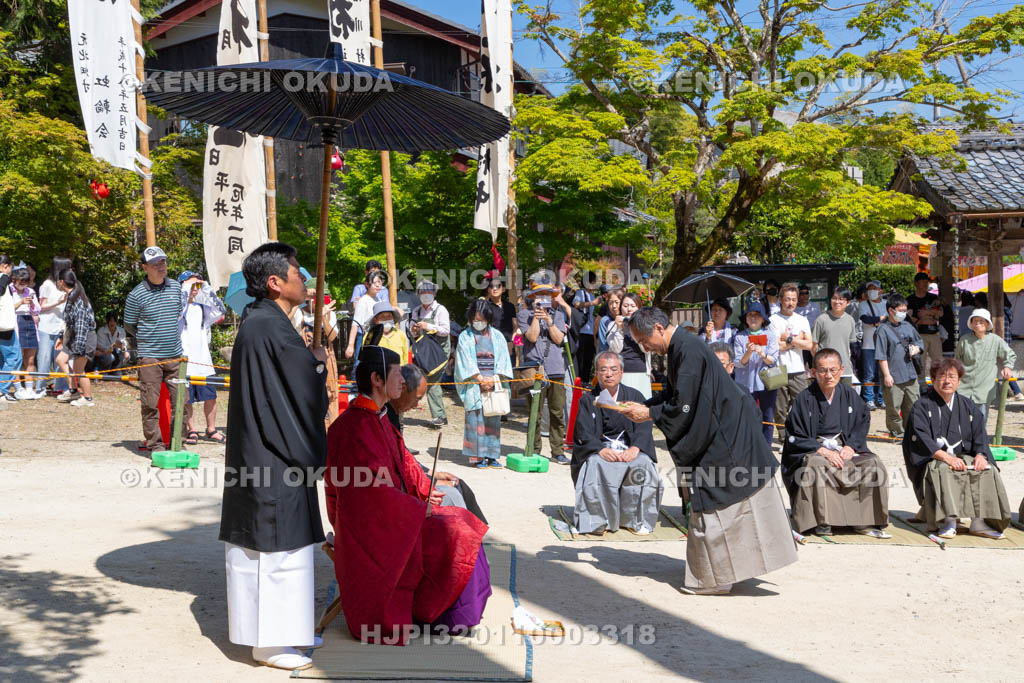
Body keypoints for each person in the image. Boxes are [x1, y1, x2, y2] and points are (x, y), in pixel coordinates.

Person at [622, 308, 798, 595]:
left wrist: (650, 413)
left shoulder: (687, 349)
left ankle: (714, 579)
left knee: (717, 506)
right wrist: (648, 404)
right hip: (723, 431)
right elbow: (677, 394)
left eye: (644, 340)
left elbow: (685, 407)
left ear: (657, 327)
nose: (645, 347)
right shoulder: (682, 347)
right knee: (727, 507)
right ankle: (723, 573)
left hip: (724, 438)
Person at [325, 345, 491, 645]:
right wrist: (416, 510)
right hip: (370, 532)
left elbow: (403, 462)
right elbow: (368, 494)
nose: (403, 381)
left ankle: (443, 614)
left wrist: (426, 487)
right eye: (397, 374)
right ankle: (442, 616)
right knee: (456, 531)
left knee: (460, 520)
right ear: (377, 379)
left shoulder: (376, 417)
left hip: (394, 517)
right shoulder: (355, 427)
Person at [219, 242, 328, 670]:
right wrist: (316, 366)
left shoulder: (264, 322)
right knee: (274, 551)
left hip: (267, 450)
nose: (305, 280)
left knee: (281, 550)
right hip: (272, 456)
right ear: (275, 282)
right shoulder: (268, 326)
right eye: (298, 273)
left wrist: (310, 361)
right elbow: (297, 391)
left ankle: (288, 632)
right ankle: (269, 643)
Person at [782, 349, 890, 538]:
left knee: (873, 463)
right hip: (816, 449)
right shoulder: (804, 399)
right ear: (814, 372)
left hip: (845, 446)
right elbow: (795, 435)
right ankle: (823, 521)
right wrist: (820, 450)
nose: (828, 375)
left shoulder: (849, 394)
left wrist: (851, 446)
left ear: (841, 370)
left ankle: (863, 520)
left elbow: (862, 420)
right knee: (816, 464)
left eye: (833, 370)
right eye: (823, 371)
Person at [903, 358, 1012, 539]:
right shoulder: (921, 406)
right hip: (935, 458)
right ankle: (949, 520)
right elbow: (921, 440)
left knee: (986, 469)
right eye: (942, 376)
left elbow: (980, 435)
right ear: (933, 379)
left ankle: (979, 522)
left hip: (963, 456)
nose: (947, 381)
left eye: (952, 377)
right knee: (945, 470)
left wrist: (980, 455)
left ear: (959, 381)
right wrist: (947, 457)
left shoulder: (967, 406)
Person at [571, 351, 661, 535]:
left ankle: (635, 520)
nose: (608, 374)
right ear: (596, 373)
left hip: (629, 448)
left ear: (621, 372)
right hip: (602, 450)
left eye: (613, 369)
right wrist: (598, 449)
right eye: (603, 370)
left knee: (643, 463)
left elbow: (645, 426)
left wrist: (636, 448)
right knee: (594, 464)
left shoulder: (635, 395)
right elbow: (583, 430)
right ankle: (597, 521)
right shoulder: (588, 399)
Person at [386, 363, 488, 522]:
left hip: (408, 482)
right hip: (398, 492)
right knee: (452, 495)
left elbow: (404, 457)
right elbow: (394, 469)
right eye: (417, 398)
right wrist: (430, 481)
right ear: (403, 388)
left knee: (459, 486)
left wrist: (431, 474)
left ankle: (476, 540)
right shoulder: (381, 418)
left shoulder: (390, 415)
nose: (416, 406)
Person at [123, 246, 190, 452]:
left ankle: (178, 442)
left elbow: (178, 314)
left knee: (183, 402)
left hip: (175, 355)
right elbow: (129, 325)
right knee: (150, 403)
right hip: (150, 357)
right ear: (145, 267)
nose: (161, 267)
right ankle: (156, 444)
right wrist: (147, 339)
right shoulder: (136, 294)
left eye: (163, 262)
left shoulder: (176, 288)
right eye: (155, 264)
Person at [455, 300, 512, 468]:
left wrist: (494, 379)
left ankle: (492, 454)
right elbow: (464, 361)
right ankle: (477, 456)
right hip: (474, 383)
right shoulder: (465, 337)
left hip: (493, 382)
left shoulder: (498, 336)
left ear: (488, 318)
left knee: (493, 419)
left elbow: (503, 359)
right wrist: (479, 379)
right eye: (475, 319)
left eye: (482, 319)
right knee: (475, 420)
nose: (478, 322)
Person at [518, 281, 569, 464]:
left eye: (547, 295)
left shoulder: (559, 315)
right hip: (534, 368)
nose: (543, 299)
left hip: (556, 368)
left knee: (557, 412)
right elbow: (531, 337)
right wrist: (536, 318)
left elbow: (558, 339)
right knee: (535, 412)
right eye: (540, 296)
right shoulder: (524, 314)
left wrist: (549, 321)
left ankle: (557, 450)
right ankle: (533, 448)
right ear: (533, 298)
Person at [177, 271, 227, 444]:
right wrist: (185, 288)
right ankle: (192, 429)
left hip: (203, 361)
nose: (194, 289)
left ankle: (211, 429)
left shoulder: (201, 307)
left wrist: (205, 287)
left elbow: (221, 310)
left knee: (211, 396)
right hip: (185, 361)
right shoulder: (177, 307)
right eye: (192, 285)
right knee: (187, 398)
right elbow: (178, 310)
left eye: (196, 286)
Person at [954, 308, 1016, 423]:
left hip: (984, 389)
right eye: (975, 321)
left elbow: (1010, 355)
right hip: (964, 387)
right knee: (962, 420)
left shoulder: (995, 340)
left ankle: (980, 441)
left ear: (987, 324)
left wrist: (1007, 367)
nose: (978, 324)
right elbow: (956, 362)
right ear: (971, 324)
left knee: (981, 420)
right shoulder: (964, 340)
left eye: (981, 321)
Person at [875, 294, 924, 438]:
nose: (904, 313)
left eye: (905, 310)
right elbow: (881, 355)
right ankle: (897, 433)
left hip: (910, 373)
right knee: (893, 408)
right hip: (893, 375)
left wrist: (917, 349)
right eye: (901, 310)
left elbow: (919, 342)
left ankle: (911, 432)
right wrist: (886, 375)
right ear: (891, 310)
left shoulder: (908, 326)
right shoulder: (882, 330)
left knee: (913, 405)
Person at [769, 283, 814, 439]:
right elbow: (775, 346)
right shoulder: (773, 320)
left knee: (801, 403)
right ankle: (783, 436)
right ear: (780, 299)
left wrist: (787, 338)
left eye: (793, 299)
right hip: (777, 368)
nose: (790, 303)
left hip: (798, 368)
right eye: (787, 299)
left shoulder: (802, 320)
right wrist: (797, 340)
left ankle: (797, 433)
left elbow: (809, 345)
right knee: (779, 407)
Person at [732, 302, 778, 445]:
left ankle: (767, 447)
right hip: (745, 382)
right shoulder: (740, 337)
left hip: (766, 382)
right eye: (750, 315)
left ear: (763, 319)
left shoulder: (770, 335)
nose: (753, 318)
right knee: (747, 415)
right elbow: (739, 362)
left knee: (767, 416)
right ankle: (749, 446)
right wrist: (749, 352)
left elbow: (773, 360)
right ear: (745, 319)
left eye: (757, 315)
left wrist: (762, 353)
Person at [409, 280, 451, 428]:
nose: (426, 295)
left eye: (429, 292)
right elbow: (412, 333)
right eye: (423, 292)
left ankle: (439, 415)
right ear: (418, 294)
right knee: (428, 381)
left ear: (434, 293)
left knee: (432, 381)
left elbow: (446, 330)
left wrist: (428, 326)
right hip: (424, 351)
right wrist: (414, 330)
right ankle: (439, 415)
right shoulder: (416, 311)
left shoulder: (441, 310)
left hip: (439, 351)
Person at [53, 269, 96, 407]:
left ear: (62, 282)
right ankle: (73, 390)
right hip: (73, 336)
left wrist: (79, 348)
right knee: (61, 359)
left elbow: (82, 326)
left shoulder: (78, 300)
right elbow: (68, 321)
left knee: (79, 369)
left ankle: (88, 398)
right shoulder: (71, 296)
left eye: (57, 281)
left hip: (84, 337)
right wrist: (61, 337)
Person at [33, 256, 72, 397]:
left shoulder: (64, 285)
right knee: (44, 358)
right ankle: (40, 388)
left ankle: (60, 387)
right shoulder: (47, 285)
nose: (71, 270)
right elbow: (40, 306)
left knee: (60, 360)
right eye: (68, 267)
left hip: (61, 327)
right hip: (46, 327)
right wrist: (57, 302)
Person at [606, 291, 652, 399]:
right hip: (621, 372)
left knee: (642, 403)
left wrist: (636, 328)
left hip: (640, 371)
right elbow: (616, 349)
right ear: (621, 307)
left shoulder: (645, 325)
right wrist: (619, 329)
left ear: (639, 308)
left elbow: (646, 349)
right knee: (622, 405)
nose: (629, 309)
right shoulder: (612, 325)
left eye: (633, 306)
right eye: (625, 306)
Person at [811, 287, 858, 386]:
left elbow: (850, 345)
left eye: (841, 299)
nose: (837, 301)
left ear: (848, 302)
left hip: (845, 370)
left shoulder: (850, 320)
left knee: (845, 399)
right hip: (825, 371)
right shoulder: (821, 319)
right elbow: (813, 346)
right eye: (834, 298)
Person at [9, 267, 41, 399]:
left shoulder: (30, 291)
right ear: (14, 280)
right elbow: (6, 309)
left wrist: (32, 303)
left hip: (30, 322)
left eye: (25, 283)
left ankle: (29, 388)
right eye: (21, 282)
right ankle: (18, 388)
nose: (23, 285)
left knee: (30, 359)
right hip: (16, 321)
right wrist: (21, 302)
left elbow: (37, 310)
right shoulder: (8, 290)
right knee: (17, 358)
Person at [906, 271, 944, 381]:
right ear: (916, 283)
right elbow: (909, 318)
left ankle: (938, 382)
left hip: (934, 333)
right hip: (919, 335)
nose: (926, 284)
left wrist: (925, 314)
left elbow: (940, 313)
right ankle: (921, 385)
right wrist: (926, 317)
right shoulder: (910, 299)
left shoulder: (933, 298)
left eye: (927, 282)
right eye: (923, 282)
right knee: (920, 361)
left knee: (938, 361)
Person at [858, 280, 887, 410]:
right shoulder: (864, 304)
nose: (871, 291)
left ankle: (881, 398)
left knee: (882, 372)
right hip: (868, 345)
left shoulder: (886, 304)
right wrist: (880, 319)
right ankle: (869, 399)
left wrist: (877, 320)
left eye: (874, 288)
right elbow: (865, 319)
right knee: (869, 373)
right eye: (869, 289)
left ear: (881, 291)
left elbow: (889, 320)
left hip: (883, 344)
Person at [346, 270, 386, 360]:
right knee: (360, 363)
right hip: (365, 336)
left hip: (378, 335)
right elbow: (355, 324)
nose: (378, 285)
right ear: (367, 284)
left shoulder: (379, 300)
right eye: (375, 283)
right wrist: (350, 345)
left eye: (380, 282)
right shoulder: (363, 301)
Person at [0, 255, 23, 403]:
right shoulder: (2, 277)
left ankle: (3, 390)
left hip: (5, 327)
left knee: (4, 359)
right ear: (5, 266)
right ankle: (2, 391)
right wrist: (4, 277)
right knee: (14, 358)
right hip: (4, 327)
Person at [572, 272, 600, 384]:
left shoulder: (591, 296)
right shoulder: (580, 292)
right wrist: (593, 303)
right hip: (581, 331)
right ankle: (579, 382)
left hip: (589, 332)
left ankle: (585, 381)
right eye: (593, 282)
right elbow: (576, 304)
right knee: (580, 359)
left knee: (588, 359)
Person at [596, 287, 623, 354]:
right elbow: (603, 345)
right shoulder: (605, 321)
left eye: (617, 302)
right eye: (611, 303)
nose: (614, 306)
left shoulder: (628, 318)